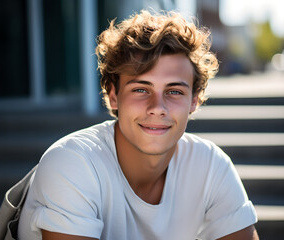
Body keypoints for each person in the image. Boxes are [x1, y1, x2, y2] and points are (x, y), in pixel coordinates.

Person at [18, 10, 258, 240]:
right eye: (141, 89)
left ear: (193, 101)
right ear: (113, 96)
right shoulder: (73, 162)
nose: (157, 106)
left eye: (174, 91)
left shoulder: (211, 166)